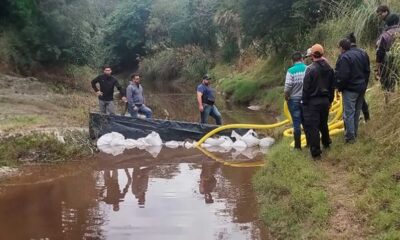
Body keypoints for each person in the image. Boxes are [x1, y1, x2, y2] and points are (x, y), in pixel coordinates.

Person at [302, 44, 335, 159]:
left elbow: (306, 89)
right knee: (323, 124)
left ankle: (316, 153)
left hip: (313, 102)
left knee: (313, 127)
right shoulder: (329, 68)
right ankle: (326, 143)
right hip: (325, 101)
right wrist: (330, 100)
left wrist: (304, 103)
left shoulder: (310, 69)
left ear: (312, 55)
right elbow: (332, 87)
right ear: (322, 53)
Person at [336, 38, 370, 143]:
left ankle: (350, 138)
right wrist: (364, 84)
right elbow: (367, 71)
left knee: (349, 114)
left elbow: (344, 76)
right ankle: (354, 133)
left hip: (350, 89)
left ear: (342, 48)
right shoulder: (361, 53)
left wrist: (340, 88)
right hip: (361, 87)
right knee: (356, 112)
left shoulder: (344, 57)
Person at [284, 51, 307, 149]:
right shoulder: (308, 68)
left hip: (294, 100)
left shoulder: (291, 71)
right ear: (302, 59)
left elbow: (288, 86)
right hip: (306, 100)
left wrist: (286, 96)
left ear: (292, 61)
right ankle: (309, 143)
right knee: (306, 122)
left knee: (296, 123)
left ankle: (297, 147)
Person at [347, 32, 371, 121]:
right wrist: (366, 82)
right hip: (362, 82)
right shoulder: (363, 52)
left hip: (351, 84)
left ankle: (354, 123)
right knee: (361, 98)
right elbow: (367, 70)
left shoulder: (347, 54)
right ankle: (366, 116)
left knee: (352, 104)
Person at [376, 14, 400, 99]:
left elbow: (380, 52)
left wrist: (377, 67)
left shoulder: (385, 35)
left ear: (387, 23)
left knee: (387, 85)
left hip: (388, 63)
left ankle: (388, 103)